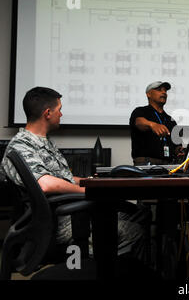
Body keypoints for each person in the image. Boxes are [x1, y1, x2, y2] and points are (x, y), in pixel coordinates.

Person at [1, 87, 151, 266]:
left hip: (73, 210)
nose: (61, 114)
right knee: (133, 231)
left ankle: (115, 263)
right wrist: (86, 189)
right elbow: (45, 184)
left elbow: (63, 179)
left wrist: (99, 181)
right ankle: (100, 267)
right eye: (59, 110)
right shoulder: (21, 146)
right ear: (48, 113)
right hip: (60, 220)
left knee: (140, 213)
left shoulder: (44, 142)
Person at [129, 81, 184, 166]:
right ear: (148, 94)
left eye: (165, 91)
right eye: (159, 90)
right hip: (146, 164)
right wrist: (152, 125)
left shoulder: (170, 120)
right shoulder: (140, 111)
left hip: (168, 165)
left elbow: (176, 146)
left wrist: (179, 151)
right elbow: (139, 122)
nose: (163, 92)